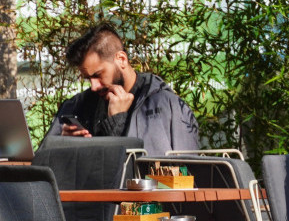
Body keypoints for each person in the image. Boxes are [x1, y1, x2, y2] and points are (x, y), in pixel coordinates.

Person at [47, 22, 200, 156]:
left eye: (98, 75)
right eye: (88, 79)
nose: (94, 86)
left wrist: (117, 121)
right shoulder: (78, 105)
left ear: (121, 59)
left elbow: (188, 173)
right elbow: (42, 162)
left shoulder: (166, 105)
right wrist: (62, 144)